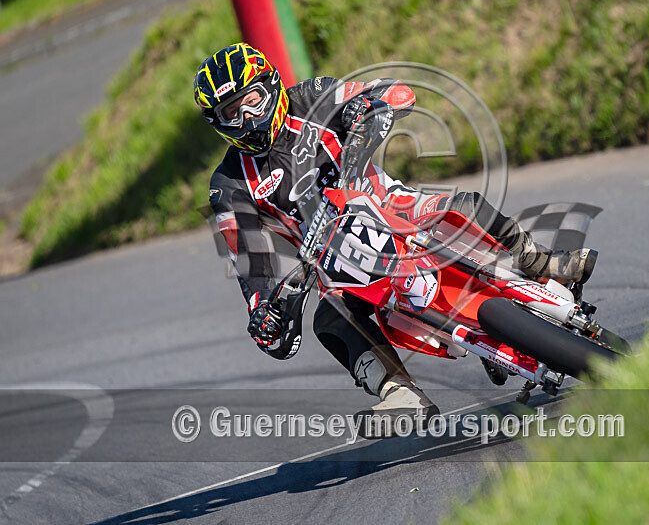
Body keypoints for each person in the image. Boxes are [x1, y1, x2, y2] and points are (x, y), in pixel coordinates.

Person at [194, 43, 596, 427]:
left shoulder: (313, 96)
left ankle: (541, 262)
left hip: (389, 203)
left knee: (464, 205)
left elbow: (393, 92)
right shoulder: (228, 184)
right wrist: (265, 307)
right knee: (329, 318)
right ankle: (399, 393)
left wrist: (365, 107)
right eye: (232, 112)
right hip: (332, 257)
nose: (247, 118)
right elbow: (248, 258)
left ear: (273, 88)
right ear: (218, 124)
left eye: (252, 101)